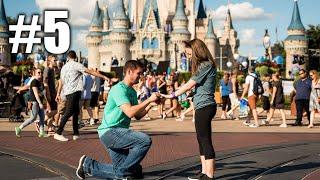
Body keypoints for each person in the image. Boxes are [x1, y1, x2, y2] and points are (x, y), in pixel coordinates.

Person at [76, 60, 160, 179]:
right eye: (139, 73)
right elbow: (130, 112)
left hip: (118, 133)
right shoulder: (119, 89)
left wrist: (151, 105)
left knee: (133, 172)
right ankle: (122, 174)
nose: (141, 77)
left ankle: (87, 165)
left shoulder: (131, 91)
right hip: (110, 132)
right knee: (144, 141)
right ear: (129, 72)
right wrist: (148, 100)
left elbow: (138, 115)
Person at [161, 39, 217, 180]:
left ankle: (209, 175)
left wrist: (171, 95)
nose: (188, 56)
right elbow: (199, 86)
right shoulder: (203, 66)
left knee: (205, 140)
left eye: (189, 53)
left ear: (197, 51)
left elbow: (188, 85)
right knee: (201, 139)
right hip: (201, 106)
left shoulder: (206, 65)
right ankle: (204, 171)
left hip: (205, 106)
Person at [54, 50, 108, 141]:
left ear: (68, 57)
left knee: (76, 112)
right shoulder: (76, 65)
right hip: (75, 92)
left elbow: (61, 82)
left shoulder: (64, 67)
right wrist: (103, 76)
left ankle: (76, 133)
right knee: (69, 111)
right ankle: (58, 132)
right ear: (75, 57)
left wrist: (58, 93)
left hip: (67, 92)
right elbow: (90, 72)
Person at [15, 68, 48, 137]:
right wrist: (40, 103)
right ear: (34, 74)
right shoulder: (34, 81)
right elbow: (36, 93)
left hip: (40, 102)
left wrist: (45, 101)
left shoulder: (40, 82)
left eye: (41, 72)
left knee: (42, 117)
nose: (40, 74)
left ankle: (42, 132)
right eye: (38, 72)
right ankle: (19, 128)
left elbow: (42, 93)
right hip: (35, 102)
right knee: (33, 118)